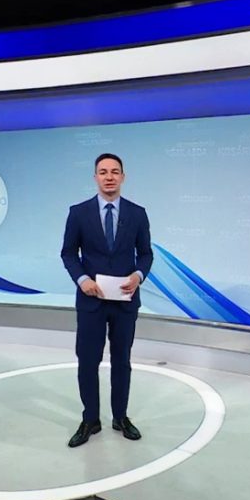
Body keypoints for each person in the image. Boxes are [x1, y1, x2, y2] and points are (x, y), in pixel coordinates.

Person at [60, 153, 153, 448]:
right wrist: (82, 280)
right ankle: (90, 419)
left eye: (114, 171)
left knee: (122, 361)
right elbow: (68, 253)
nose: (109, 177)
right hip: (91, 302)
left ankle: (120, 417)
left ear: (123, 177)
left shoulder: (137, 214)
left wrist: (138, 275)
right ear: (95, 177)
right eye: (103, 172)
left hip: (125, 301)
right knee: (88, 361)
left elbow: (146, 254)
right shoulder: (78, 213)